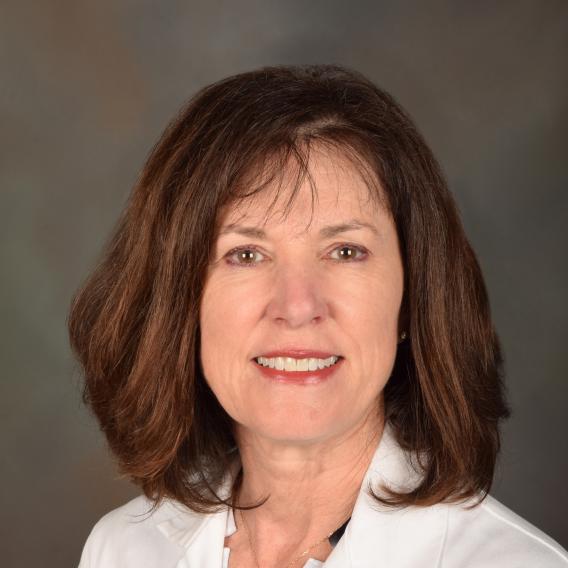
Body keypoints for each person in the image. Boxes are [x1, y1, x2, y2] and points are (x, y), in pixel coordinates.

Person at [69, 64, 568, 568]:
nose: (299, 306)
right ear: (180, 304)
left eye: (345, 252)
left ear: (412, 296)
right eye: (245, 254)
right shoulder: (124, 549)